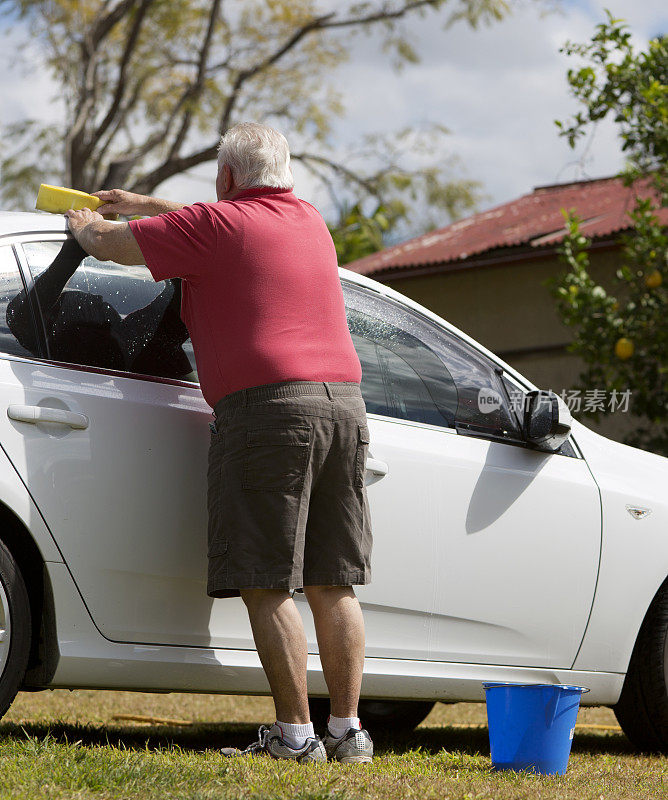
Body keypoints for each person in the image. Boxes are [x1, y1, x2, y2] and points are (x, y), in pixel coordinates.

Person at [64, 122, 374, 765]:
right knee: (333, 581)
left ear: (227, 178)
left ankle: (294, 738)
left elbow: (110, 247)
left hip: (268, 412)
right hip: (343, 406)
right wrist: (147, 205)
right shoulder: (310, 223)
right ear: (282, 176)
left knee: (266, 581)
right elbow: (216, 219)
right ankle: (347, 733)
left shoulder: (215, 227)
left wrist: (83, 223)